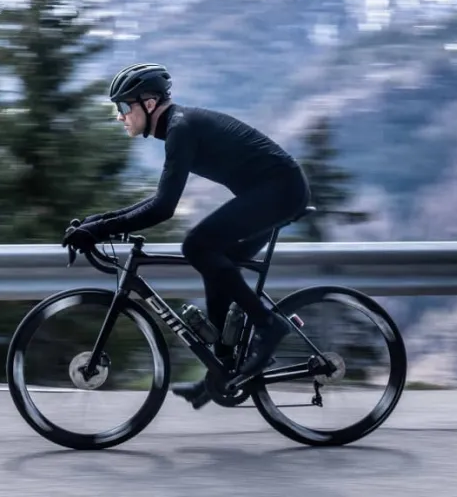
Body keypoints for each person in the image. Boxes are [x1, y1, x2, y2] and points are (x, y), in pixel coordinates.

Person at [62, 62, 312, 410]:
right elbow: (158, 199)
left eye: (123, 106)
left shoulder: (181, 128)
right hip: (273, 192)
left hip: (282, 191)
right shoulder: (177, 128)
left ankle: (268, 325)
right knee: (216, 263)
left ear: (149, 103)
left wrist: (100, 229)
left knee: (197, 246)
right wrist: (98, 221)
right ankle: (223, 369)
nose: (119, 116)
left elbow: (163, 208)